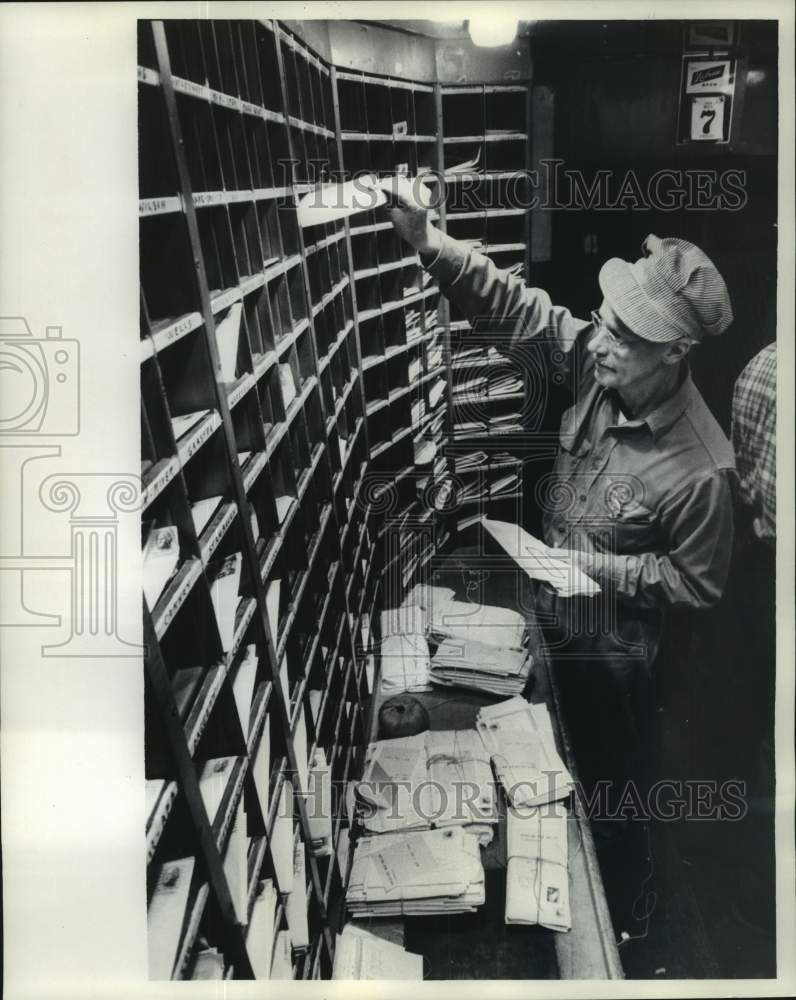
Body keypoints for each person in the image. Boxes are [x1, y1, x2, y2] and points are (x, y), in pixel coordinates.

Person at [386, 180, 737, 834]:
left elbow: (699, 585)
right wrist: (429, 243)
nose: (599, 343)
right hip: (544, 623)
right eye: (602, 321)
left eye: (622, 337)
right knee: (533, 785)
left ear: (676, 350)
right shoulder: (596, 369)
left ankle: (628, 887)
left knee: (604, 800)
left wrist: (594, 566)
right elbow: (519, 309)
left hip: (611, 663)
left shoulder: (702, 468)